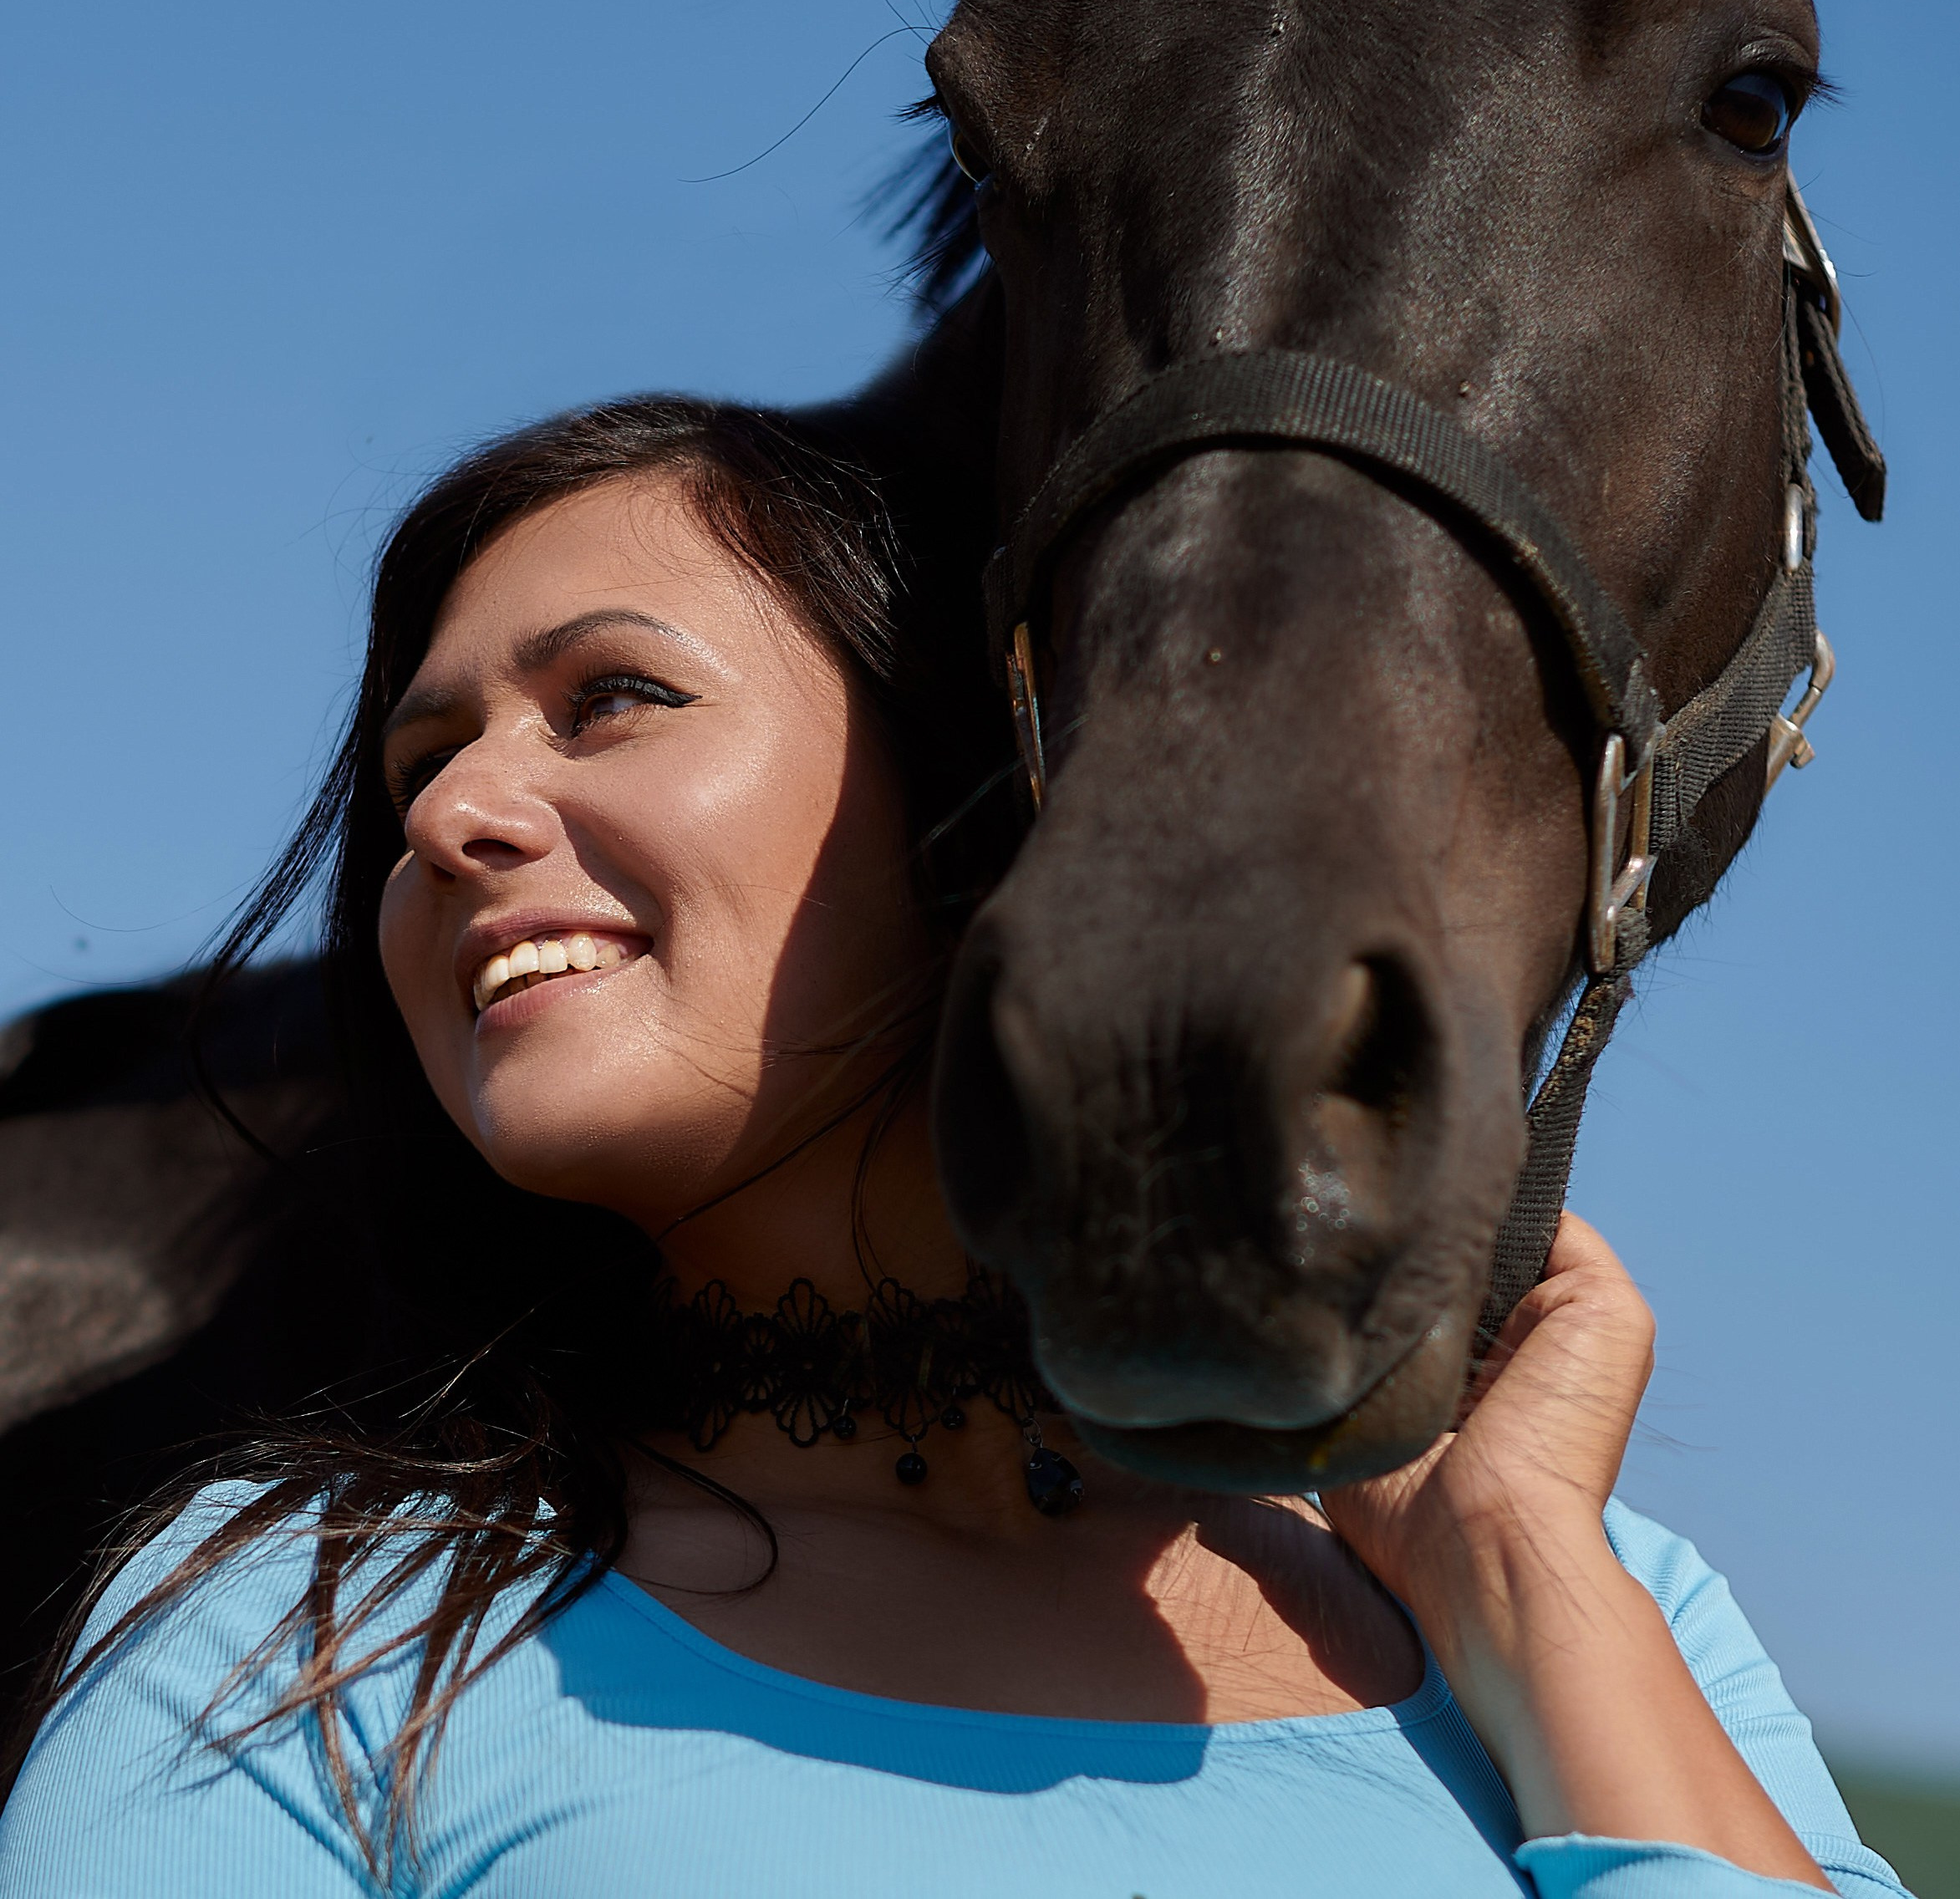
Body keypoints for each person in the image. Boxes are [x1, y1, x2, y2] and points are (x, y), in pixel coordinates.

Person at [0, 394, 1904, 1896]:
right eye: (425, 761)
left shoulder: (1600, 1601)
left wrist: (1523, 1577)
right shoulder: (299, 1649)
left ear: (982, 798)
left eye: (613, 699)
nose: (451, 814)